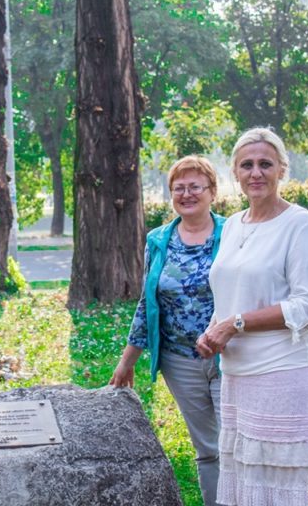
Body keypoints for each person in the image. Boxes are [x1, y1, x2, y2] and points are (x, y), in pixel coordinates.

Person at [196, 127, 308, 505]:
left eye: (265, 164)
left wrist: (235, 324)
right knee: (245, 482)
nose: (256, 173)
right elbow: (230, 291)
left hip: (286, 375)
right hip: (239, 377)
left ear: (282, 170)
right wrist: (213, 330)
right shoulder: (234, 224)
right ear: (235, 174)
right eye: (247, 165)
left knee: (279, 488)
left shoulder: (299, 225)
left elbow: (307, 307)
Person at [110, 156, 226, 506]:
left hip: (231, 357)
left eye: (195, 187)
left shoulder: (234, 232)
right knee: (207, 448)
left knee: (236, 442)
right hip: (180, 363)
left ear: (212, 192)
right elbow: (148, 302)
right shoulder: (158, 240)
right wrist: (128, 360)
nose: (187, 194)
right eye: (179, 188)